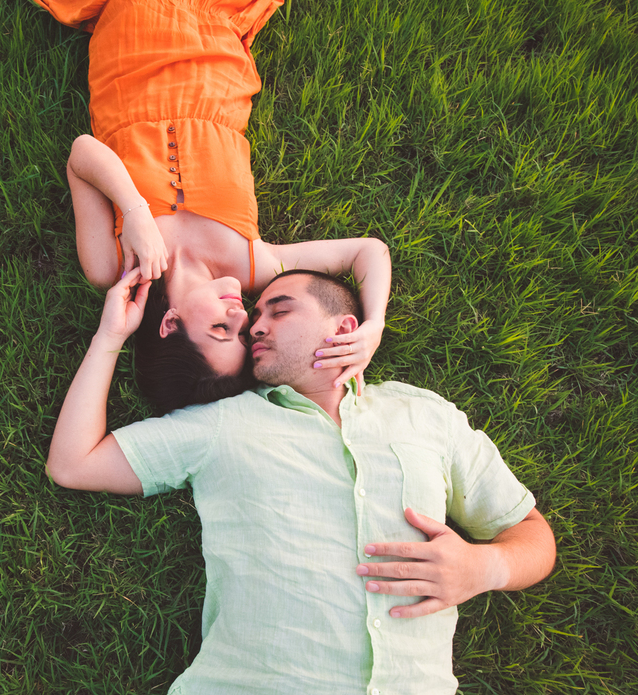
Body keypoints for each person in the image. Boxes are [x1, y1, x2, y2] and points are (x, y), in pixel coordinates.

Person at [46, 268, 557, 695]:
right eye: (254, 318)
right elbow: (74, 463)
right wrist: (111, 335)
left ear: (344, 327)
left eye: (279, 309)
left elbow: (532, 533)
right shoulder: (223, 424)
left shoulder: (425, 416)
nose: (256, 325)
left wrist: (484, 567)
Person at [36, 0, 393, 412]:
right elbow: (369, 251)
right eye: (245, 335)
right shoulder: (253, 265)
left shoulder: (114, 265)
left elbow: (82, 154)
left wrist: (133, 212)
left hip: (130, 38)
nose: (244, 318)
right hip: (215, 50)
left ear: (170, 325)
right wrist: (373, 326)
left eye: (222, 328)